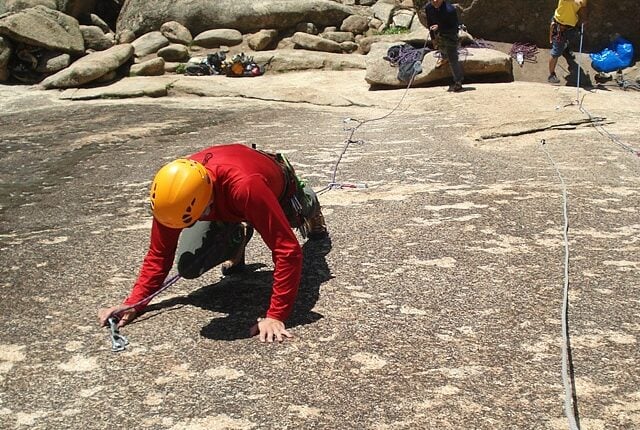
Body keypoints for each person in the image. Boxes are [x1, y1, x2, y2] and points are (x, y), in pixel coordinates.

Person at [98, 143, 328, 343]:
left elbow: (287, 250)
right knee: (190, 264)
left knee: (292, 214)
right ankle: (236, 235)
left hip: (276, 188)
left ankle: (308, 200)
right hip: (224, 201)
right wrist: (134, 304)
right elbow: (159, 254)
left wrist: (276, 315)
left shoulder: (246, 187)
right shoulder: (174, 196)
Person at [424, 0, 464, 92]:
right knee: (441, 47)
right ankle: (444, 57)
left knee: (453, 58)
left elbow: (454, 27)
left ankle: (458, 81)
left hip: (450, 34)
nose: (434, 1)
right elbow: (430, 23)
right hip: (438, 33)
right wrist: (433, 38)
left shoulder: (450, 10)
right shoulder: (429, 8)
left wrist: (439, 27)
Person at [548, 0, 588, 84]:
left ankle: (565, 50)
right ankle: (551, 74)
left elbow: (583, 7)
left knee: (567, 40)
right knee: (556, 52)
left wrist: (583, 19)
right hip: (559, 27)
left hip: (571, 26)